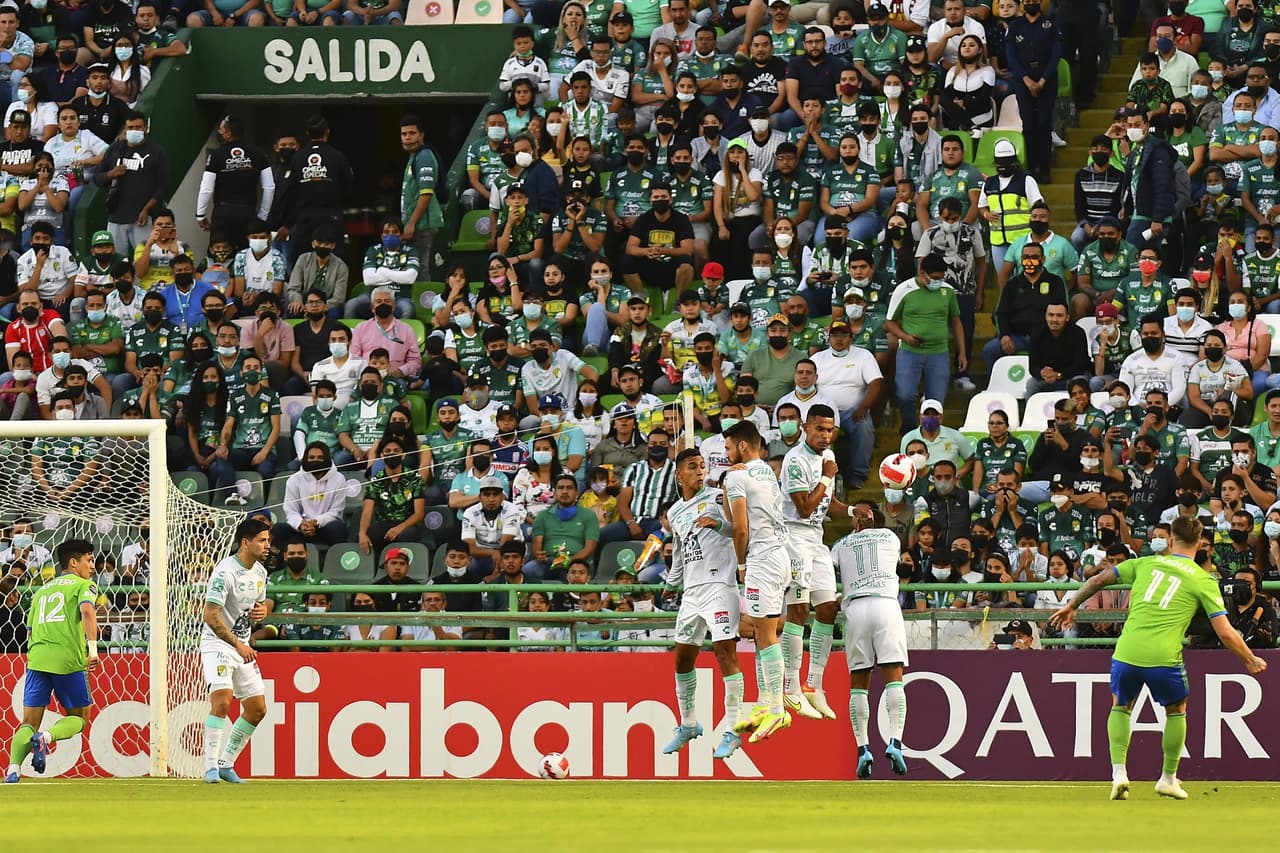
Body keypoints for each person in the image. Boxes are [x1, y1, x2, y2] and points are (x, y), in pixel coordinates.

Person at [1050, 516, 1266, 801]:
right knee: (1176, 709)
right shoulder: (1203, 580)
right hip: (1163, 657)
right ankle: (1168, 778)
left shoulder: (1144, 563)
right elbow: (1224, 632)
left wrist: (1071, 605)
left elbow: (1098, 579)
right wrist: (1249, 659)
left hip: (1126, 651)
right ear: (1201, 542)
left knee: (1121, 706)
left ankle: (1118, 773)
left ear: (1171, 539)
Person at [661, 448, 744, 759]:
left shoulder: (719, 497)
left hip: (720, 586)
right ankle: (689, 724)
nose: (699, 471)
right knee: (682, 658)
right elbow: (681, 551)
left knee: (725, 652)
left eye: (702, 466)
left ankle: (732, 729)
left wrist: (718, 524)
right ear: (679, 474)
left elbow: (739, 530)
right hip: (692, 592)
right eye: (692, 467)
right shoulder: (675, 513)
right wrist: (671, 585)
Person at [3, 539, 99, 785]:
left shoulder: (41, 592)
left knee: (28, 723)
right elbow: (88, 611)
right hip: (68, 661)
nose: (93, 566)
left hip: (36, 661)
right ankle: (47, 737)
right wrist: (93, 649)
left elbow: (31, 630)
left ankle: (13, 769)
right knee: (79, 719)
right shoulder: (83, 585)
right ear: (73, 562)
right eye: (89, 560)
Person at [779, 403, 849, 721]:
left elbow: (827, 502)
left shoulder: (828, 459)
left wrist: (850, 512)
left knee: (828, 608)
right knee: (799, 608)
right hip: (793, 536)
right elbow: (805, 507)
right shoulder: (795, 460)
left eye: (829, 429)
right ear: (806, 427)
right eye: (819, 428)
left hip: (816, 539)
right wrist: (825, 477)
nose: (825, 435)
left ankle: (813, 685)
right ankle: (791, 689)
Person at [722, 420, 790, 744]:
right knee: (762, 630)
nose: (725, 454)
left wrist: (741, 565)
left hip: (761, 559)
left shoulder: (736, 475)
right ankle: (766, 702)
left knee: (762, 632)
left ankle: (777, 707)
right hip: (780, 555)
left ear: (742, 446)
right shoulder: (766, 472)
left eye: (727, 447)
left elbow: (738, 527)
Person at [833, 506, 909, 779]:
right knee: (894, 677)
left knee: (859, 683)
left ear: (857, 520)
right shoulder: (890, 538)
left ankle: (863, 748)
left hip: (855, 608)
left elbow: (831, 571)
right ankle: (895, 742)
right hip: (886, 605)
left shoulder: (841, 544)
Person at [200, 518, 272, 785]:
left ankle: (226, 764)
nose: (267, 546)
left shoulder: (260, 573)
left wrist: (263, 611)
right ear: (245, 542)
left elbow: (259, 607)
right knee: (222, 701)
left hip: (242, 646)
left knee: (257, 709)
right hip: (219, 644)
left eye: (268, 540)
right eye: (262, 540)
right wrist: (239, 644)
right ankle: (210, 769)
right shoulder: (225, 572)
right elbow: (211, 615)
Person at [884, 254, 965, 434]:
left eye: (941, 277)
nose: (939, 281)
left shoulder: (947, 291)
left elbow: (956, 321)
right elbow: (889, 323)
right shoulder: (904, 289)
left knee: (936, 401)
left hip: (939, 352)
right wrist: (905, 337)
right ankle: (909, 429)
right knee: (905, 395)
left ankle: (930, 436)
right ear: (923, 273)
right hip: (909, 351)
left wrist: (962, 353)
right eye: (935, 278)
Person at [93, 111, 169, 256]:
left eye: (138, 127)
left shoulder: (156, 151)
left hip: (142, 218)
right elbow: (97, 178)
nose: (134, 131)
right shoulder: (115, 149)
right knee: (116, 261)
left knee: (145, 258)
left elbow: (163, 185)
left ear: (146, 128)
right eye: (130, 127)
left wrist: (147, 209)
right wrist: (111, 174)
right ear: (125, 129)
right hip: (116, 216)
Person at [196, 114, 274, 248]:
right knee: (247, 256)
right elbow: (269, 187)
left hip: (223, 213)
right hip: (248, 212)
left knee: (220, 254)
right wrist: (262, 215)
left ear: (228, 134)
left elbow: (206, 187)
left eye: (221, 130)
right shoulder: (258, 153)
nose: (219, 132)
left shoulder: (216, 154)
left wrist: (200, 214)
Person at [1004, 1, 1059, 181]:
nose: (1030, 3)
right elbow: (1010, 55)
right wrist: (1026, 79)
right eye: (1026, 0)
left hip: (1047, 79)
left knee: (1044, 124)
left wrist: (1042, 80)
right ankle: (1031, 169)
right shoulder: (1015, 26)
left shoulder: (1051, 22)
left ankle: (1044, 170)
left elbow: (1056, 53)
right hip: (1022, 80)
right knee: (1028, 125)